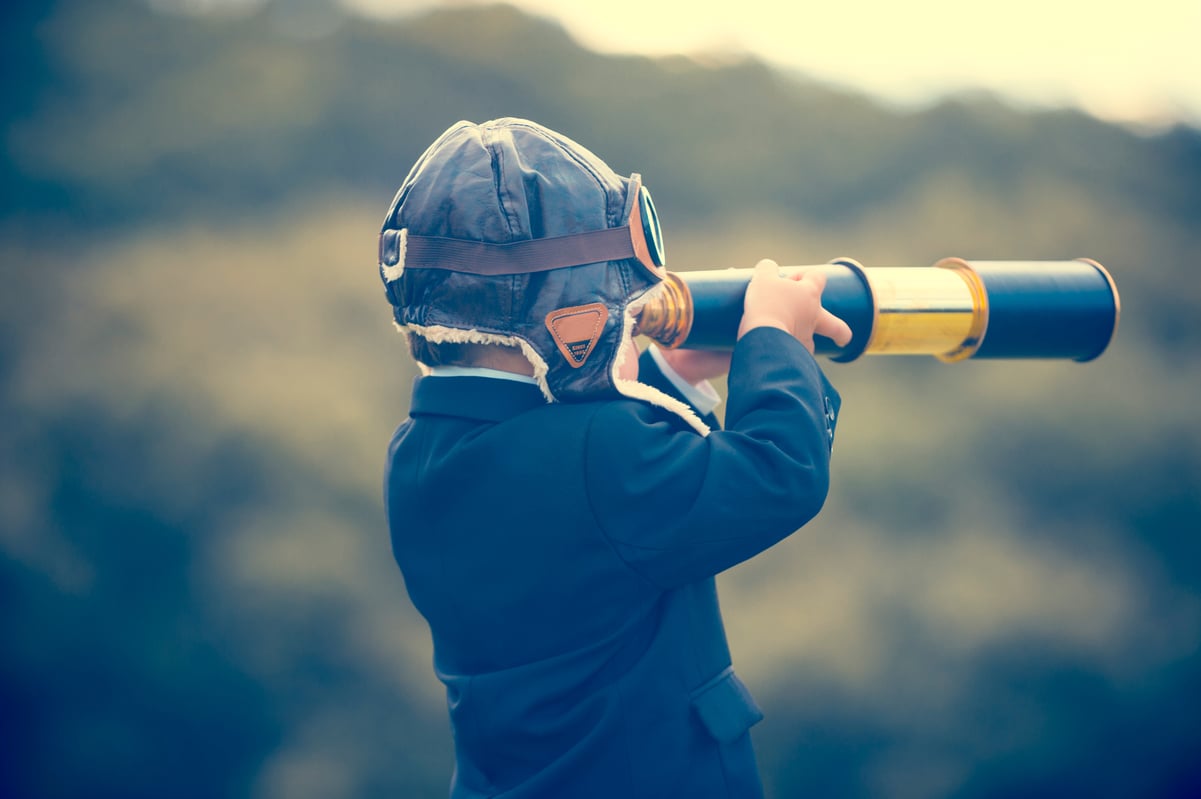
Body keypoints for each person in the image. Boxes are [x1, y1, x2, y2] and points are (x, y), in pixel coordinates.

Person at [379, 117, 851, 799]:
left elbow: (581, 501)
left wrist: (667, 374)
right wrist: (775, 339)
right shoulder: (601, 457)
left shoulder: (419, 455)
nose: (626, 320)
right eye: (618, 308)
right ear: (562, 313)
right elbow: (779, 472)